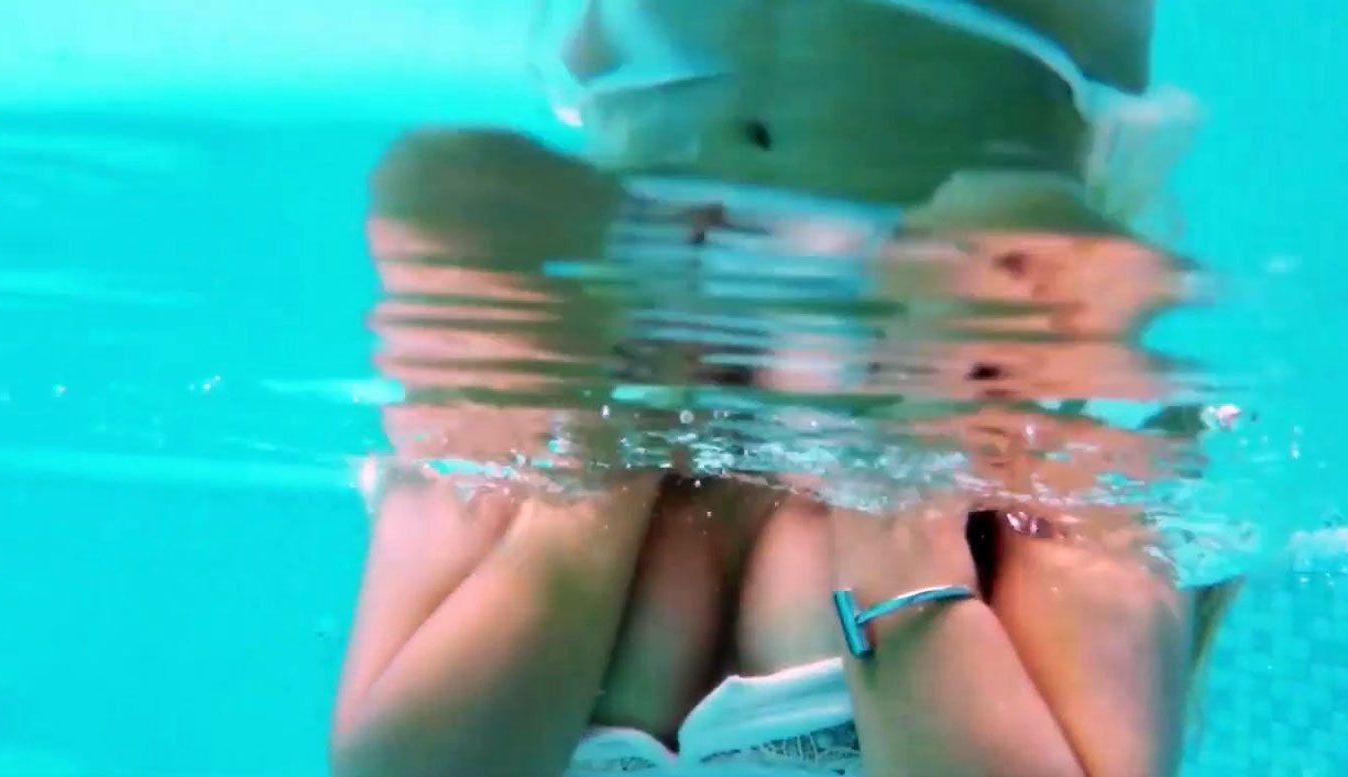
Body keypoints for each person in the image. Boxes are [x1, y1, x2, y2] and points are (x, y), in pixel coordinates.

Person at [330, 1, 1239, 775]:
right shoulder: (1027, 464)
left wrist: (601, 477)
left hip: (659, 95)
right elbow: (1038, 265)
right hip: (986, 71)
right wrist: (899, 522)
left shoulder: (528, 448)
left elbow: (452, 192)